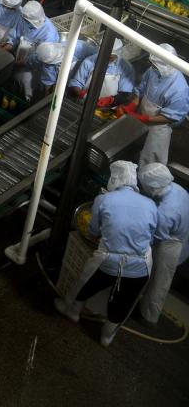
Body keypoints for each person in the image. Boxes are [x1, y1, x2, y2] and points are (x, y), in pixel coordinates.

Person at [55, 161, 157, 346]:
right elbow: (150, 238)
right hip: (140, 267)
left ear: (115, 178)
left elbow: (93, 230)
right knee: (123, 303)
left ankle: (72, 312)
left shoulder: (104, 199)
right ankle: (107, 337)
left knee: (84, 285)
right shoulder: (150, 204)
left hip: (108, 261)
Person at [122, 43, 189, 167]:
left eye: (155, 65)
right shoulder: (153, 70)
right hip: (141, 115)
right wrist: (133, 104)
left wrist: (146, 118)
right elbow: (141, 88)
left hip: (159, 127)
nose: (152, 66)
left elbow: (172, 116)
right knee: (132, 147)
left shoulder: (180, 89)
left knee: (151, 159)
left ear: (166, 65)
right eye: (152, 63)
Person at [138, 163, 189, 325]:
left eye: (145, 186)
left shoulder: (167, 211)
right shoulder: (176, 188)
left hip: (170, 246)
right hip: (183, 233)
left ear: (153, 186)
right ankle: (144, 306)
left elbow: (156, 237)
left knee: (159, 282)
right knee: (157, 278)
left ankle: (149, 317)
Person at [7, 0, 59, 98]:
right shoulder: (24, 19)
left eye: (27, 21)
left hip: (34, 69)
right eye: (25, 20)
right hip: (17, 59)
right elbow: (14, 35)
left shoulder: (49, 34)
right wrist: (7, 47)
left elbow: (40, 59)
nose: (25, 22)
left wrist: (18, 63)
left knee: (27, 87)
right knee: (11, 82)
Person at [68, 38, 134, 105]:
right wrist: (84, 96)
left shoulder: (125, 68)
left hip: (108, 109)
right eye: (104, 55)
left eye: (110, 57)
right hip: (85, 104)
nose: (106, 58)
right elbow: (76, 84)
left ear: (118, 54)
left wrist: (110, 100)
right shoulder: (88, 61)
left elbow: (125, 94)